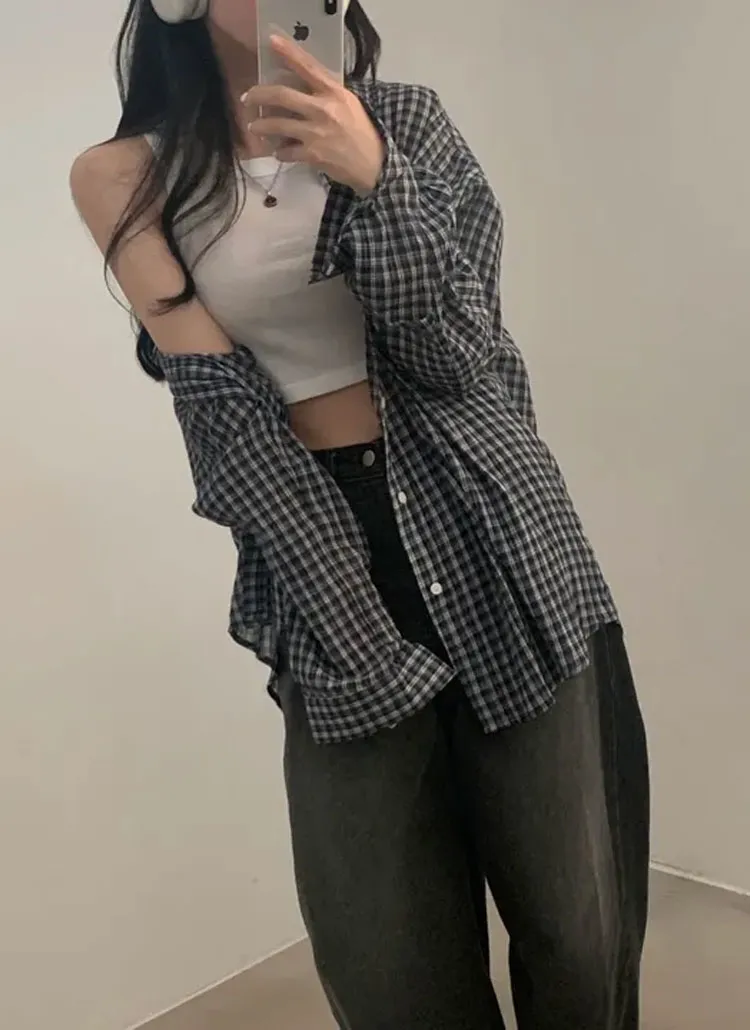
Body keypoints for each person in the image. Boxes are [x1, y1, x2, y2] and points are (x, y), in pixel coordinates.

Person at [70, 1, 650, 1027]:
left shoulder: (407, 122)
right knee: (386, 957)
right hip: (314, 538)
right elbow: (225, 421)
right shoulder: (125, 177)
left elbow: (462, 357)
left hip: (498, 529)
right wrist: (349, 617)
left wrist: (373, 175)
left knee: (577, 928)